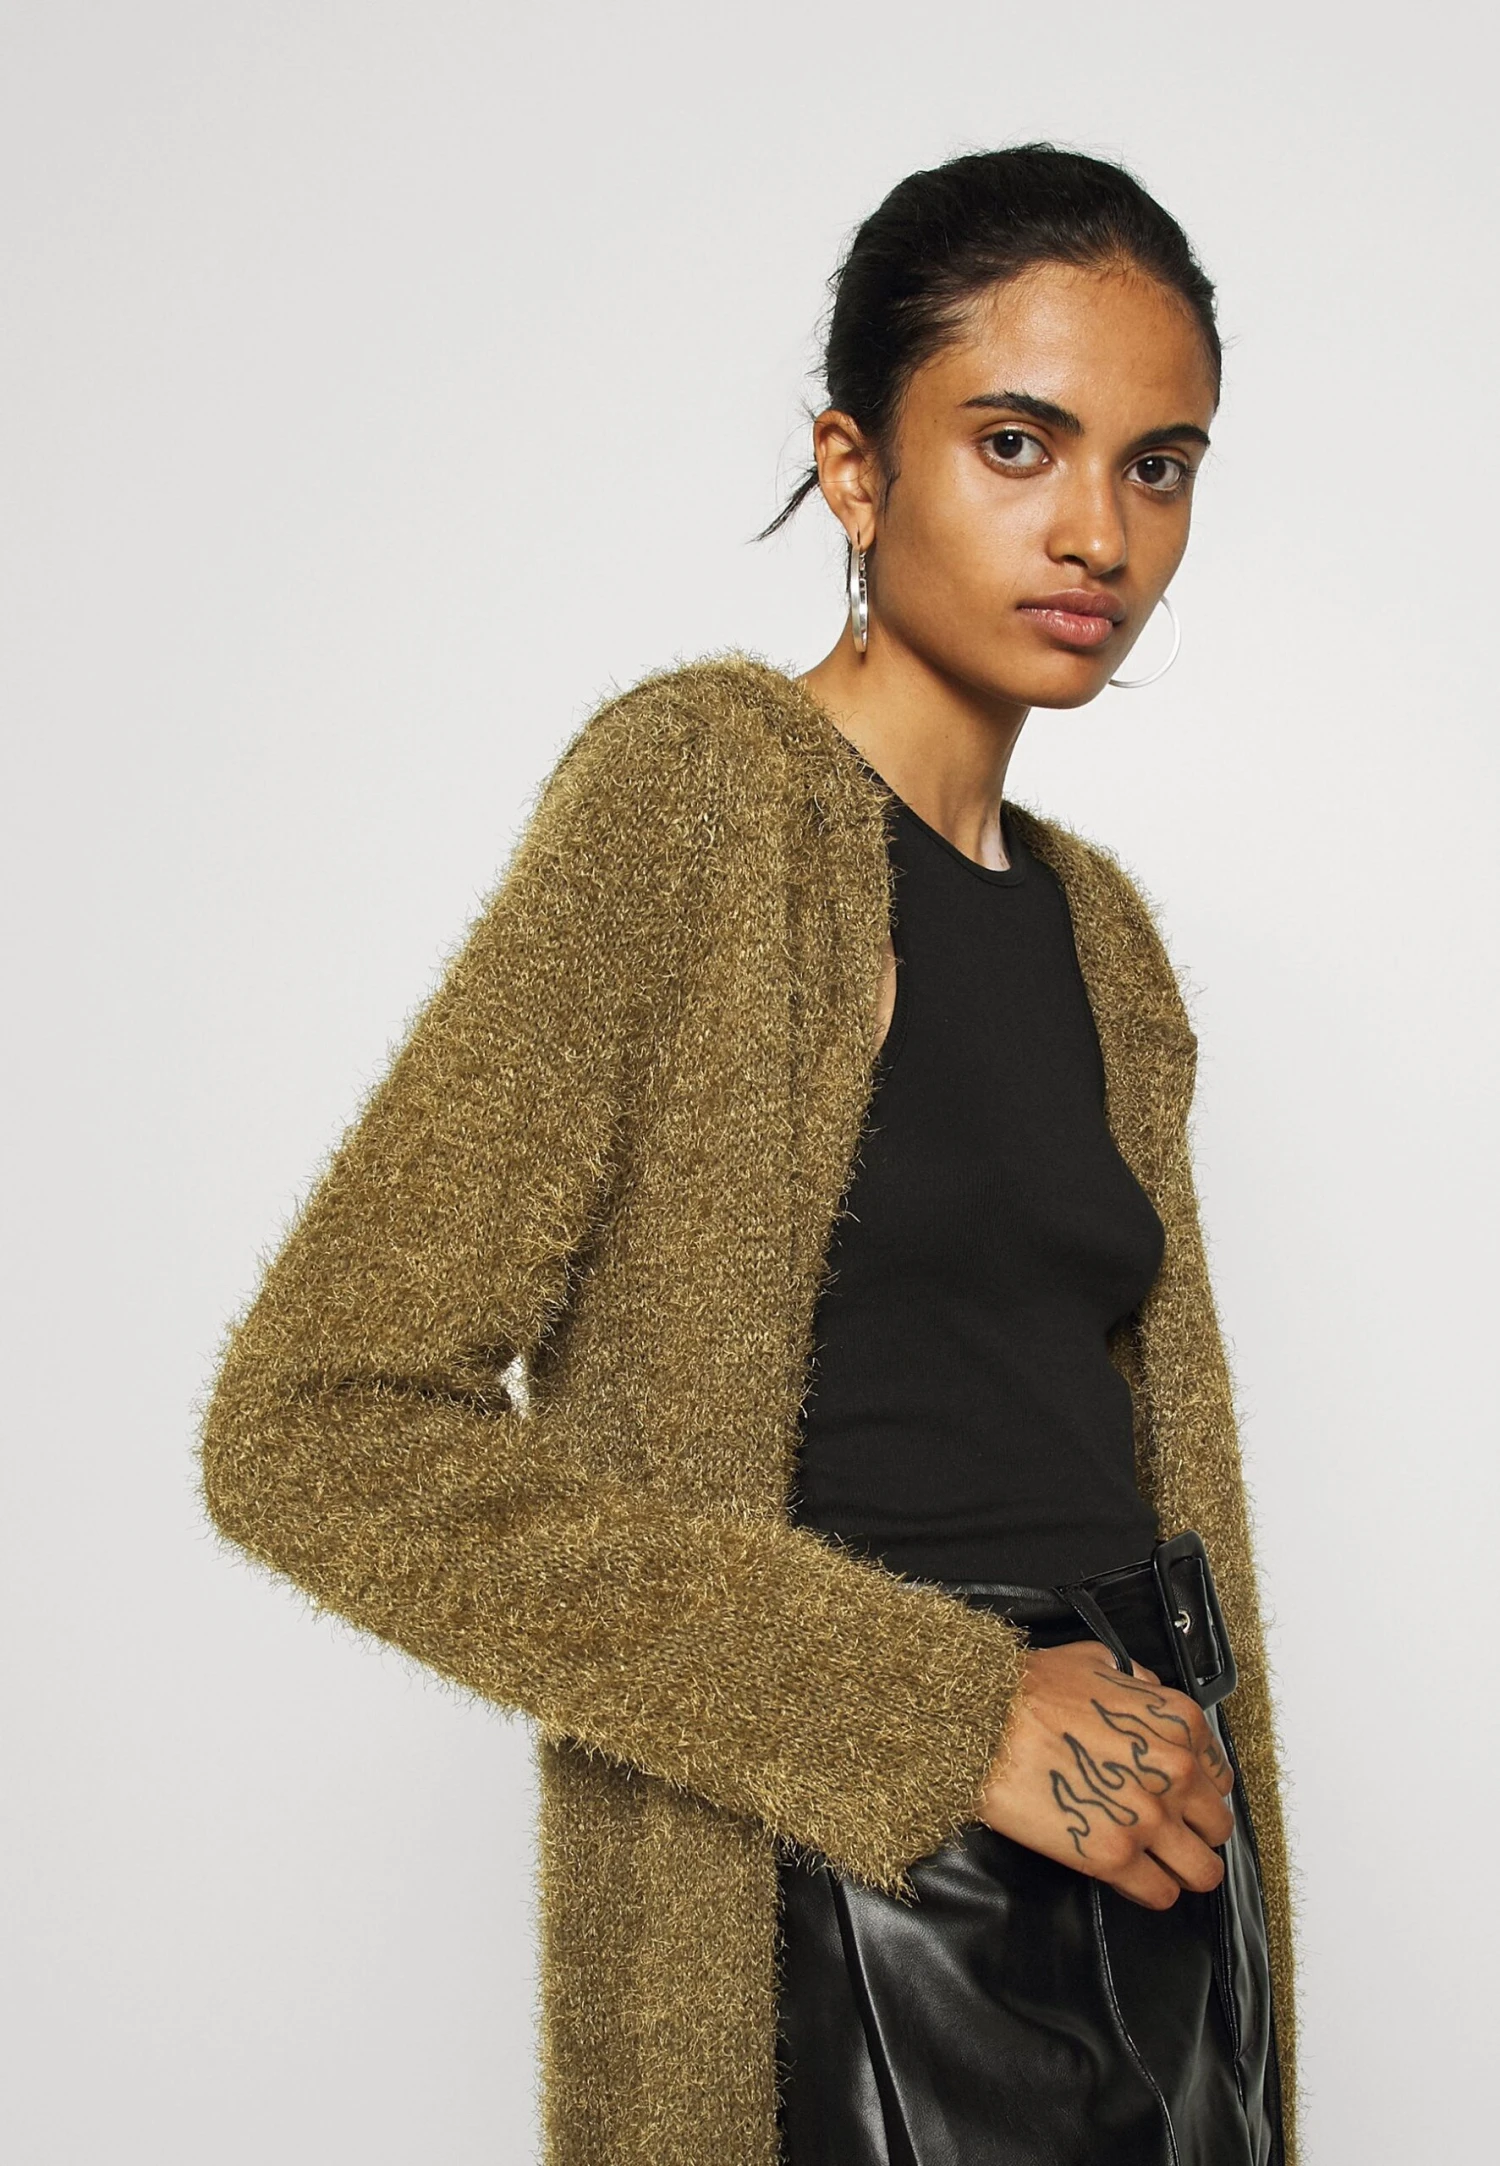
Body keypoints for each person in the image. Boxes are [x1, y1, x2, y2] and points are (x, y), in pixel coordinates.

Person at [200, 144, 1295, 2166]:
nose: (1099, 529)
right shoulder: (700, 804)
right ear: (854, 470)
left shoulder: (1105, 938)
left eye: (1159, 465)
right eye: (1018, 442)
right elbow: (315, 1425)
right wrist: (945, 1713)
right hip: (843, 1893)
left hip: (1156, 1869)